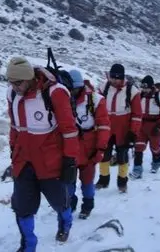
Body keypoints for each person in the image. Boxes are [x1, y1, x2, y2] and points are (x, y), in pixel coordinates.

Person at [6, 57, 80, 251]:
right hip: (24, 161)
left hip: (51, 162)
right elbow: (14, 126)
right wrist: (13, 150)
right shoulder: (13, 94)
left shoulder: (55, 93)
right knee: (22, 207)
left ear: (29, 78)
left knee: (60, 202)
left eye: (17, 82)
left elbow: (69, 130)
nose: (14, 87)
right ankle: (28, 244)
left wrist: (70, 160)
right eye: (10, 82)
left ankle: (65, 223)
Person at [67, 69, 110, 219]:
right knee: (68, 180)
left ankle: (88, 205)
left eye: (74, 89)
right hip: (69, 148)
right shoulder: (60, 99)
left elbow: (104, 126)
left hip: (89, 148)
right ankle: (70, 203)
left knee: (87, 180)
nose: (72, 92)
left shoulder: (96, 100)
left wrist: (100, 148)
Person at [95, 64, 142, 192]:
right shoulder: (103, 87)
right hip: (106, 125)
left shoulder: (132, 91)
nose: (114, 81)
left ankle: (122, 182)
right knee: (104, 153)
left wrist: (133, 132)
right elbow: (96, 105)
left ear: (122, 78)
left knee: (122, 155)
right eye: (112, 78)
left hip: (123, 127)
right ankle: (103, 179)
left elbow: (137, 114)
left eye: (117, 78)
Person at [130, 75, 160, 178]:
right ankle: (137, 170)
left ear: (151, 86)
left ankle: (156, 164)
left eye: (146, 87)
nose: (144, 90)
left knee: (155, 147)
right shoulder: (138, 96)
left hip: (155, 126)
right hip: (141, 125)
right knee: (138, 147)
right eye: (143, 87)